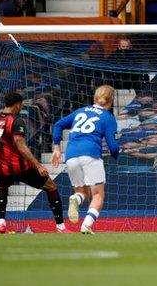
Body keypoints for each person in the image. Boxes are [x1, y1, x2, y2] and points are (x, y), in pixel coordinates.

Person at [0, 92, 69, 233]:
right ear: (17, 105)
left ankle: (1, 223)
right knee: (51, 186)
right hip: (20, 168)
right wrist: (39, 166)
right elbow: (21, 146)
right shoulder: (16, 121)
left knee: (2, 187)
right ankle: (61, 227)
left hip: (2, 168)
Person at [51, 85, 120, 234]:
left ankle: (75, 198)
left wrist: (57, 148)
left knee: (82, 191)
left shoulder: (81, 111)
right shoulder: (108, 118)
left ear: (95, 98)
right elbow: (113, 146)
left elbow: (58, 125)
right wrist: (116, 154)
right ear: (111, 100)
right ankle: (86, 225)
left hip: (70, 155)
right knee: (97, 195)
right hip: (90, 154)